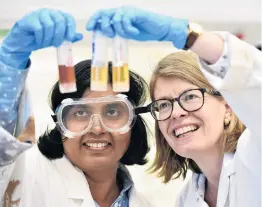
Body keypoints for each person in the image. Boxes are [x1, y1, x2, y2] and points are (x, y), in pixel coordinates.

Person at [86, 6, 261, 207]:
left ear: (228, 106)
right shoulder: (187, 198)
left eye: (190, 97)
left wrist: (189, 36)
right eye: (163, 104)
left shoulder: (255, 154)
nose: (176, 113)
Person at [0, 9, 154, 207]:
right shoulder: (26, 174)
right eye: (80, 112)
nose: (97, 129)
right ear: (60, 123)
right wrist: (8, 67)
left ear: (133, 121)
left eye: (112, 112)